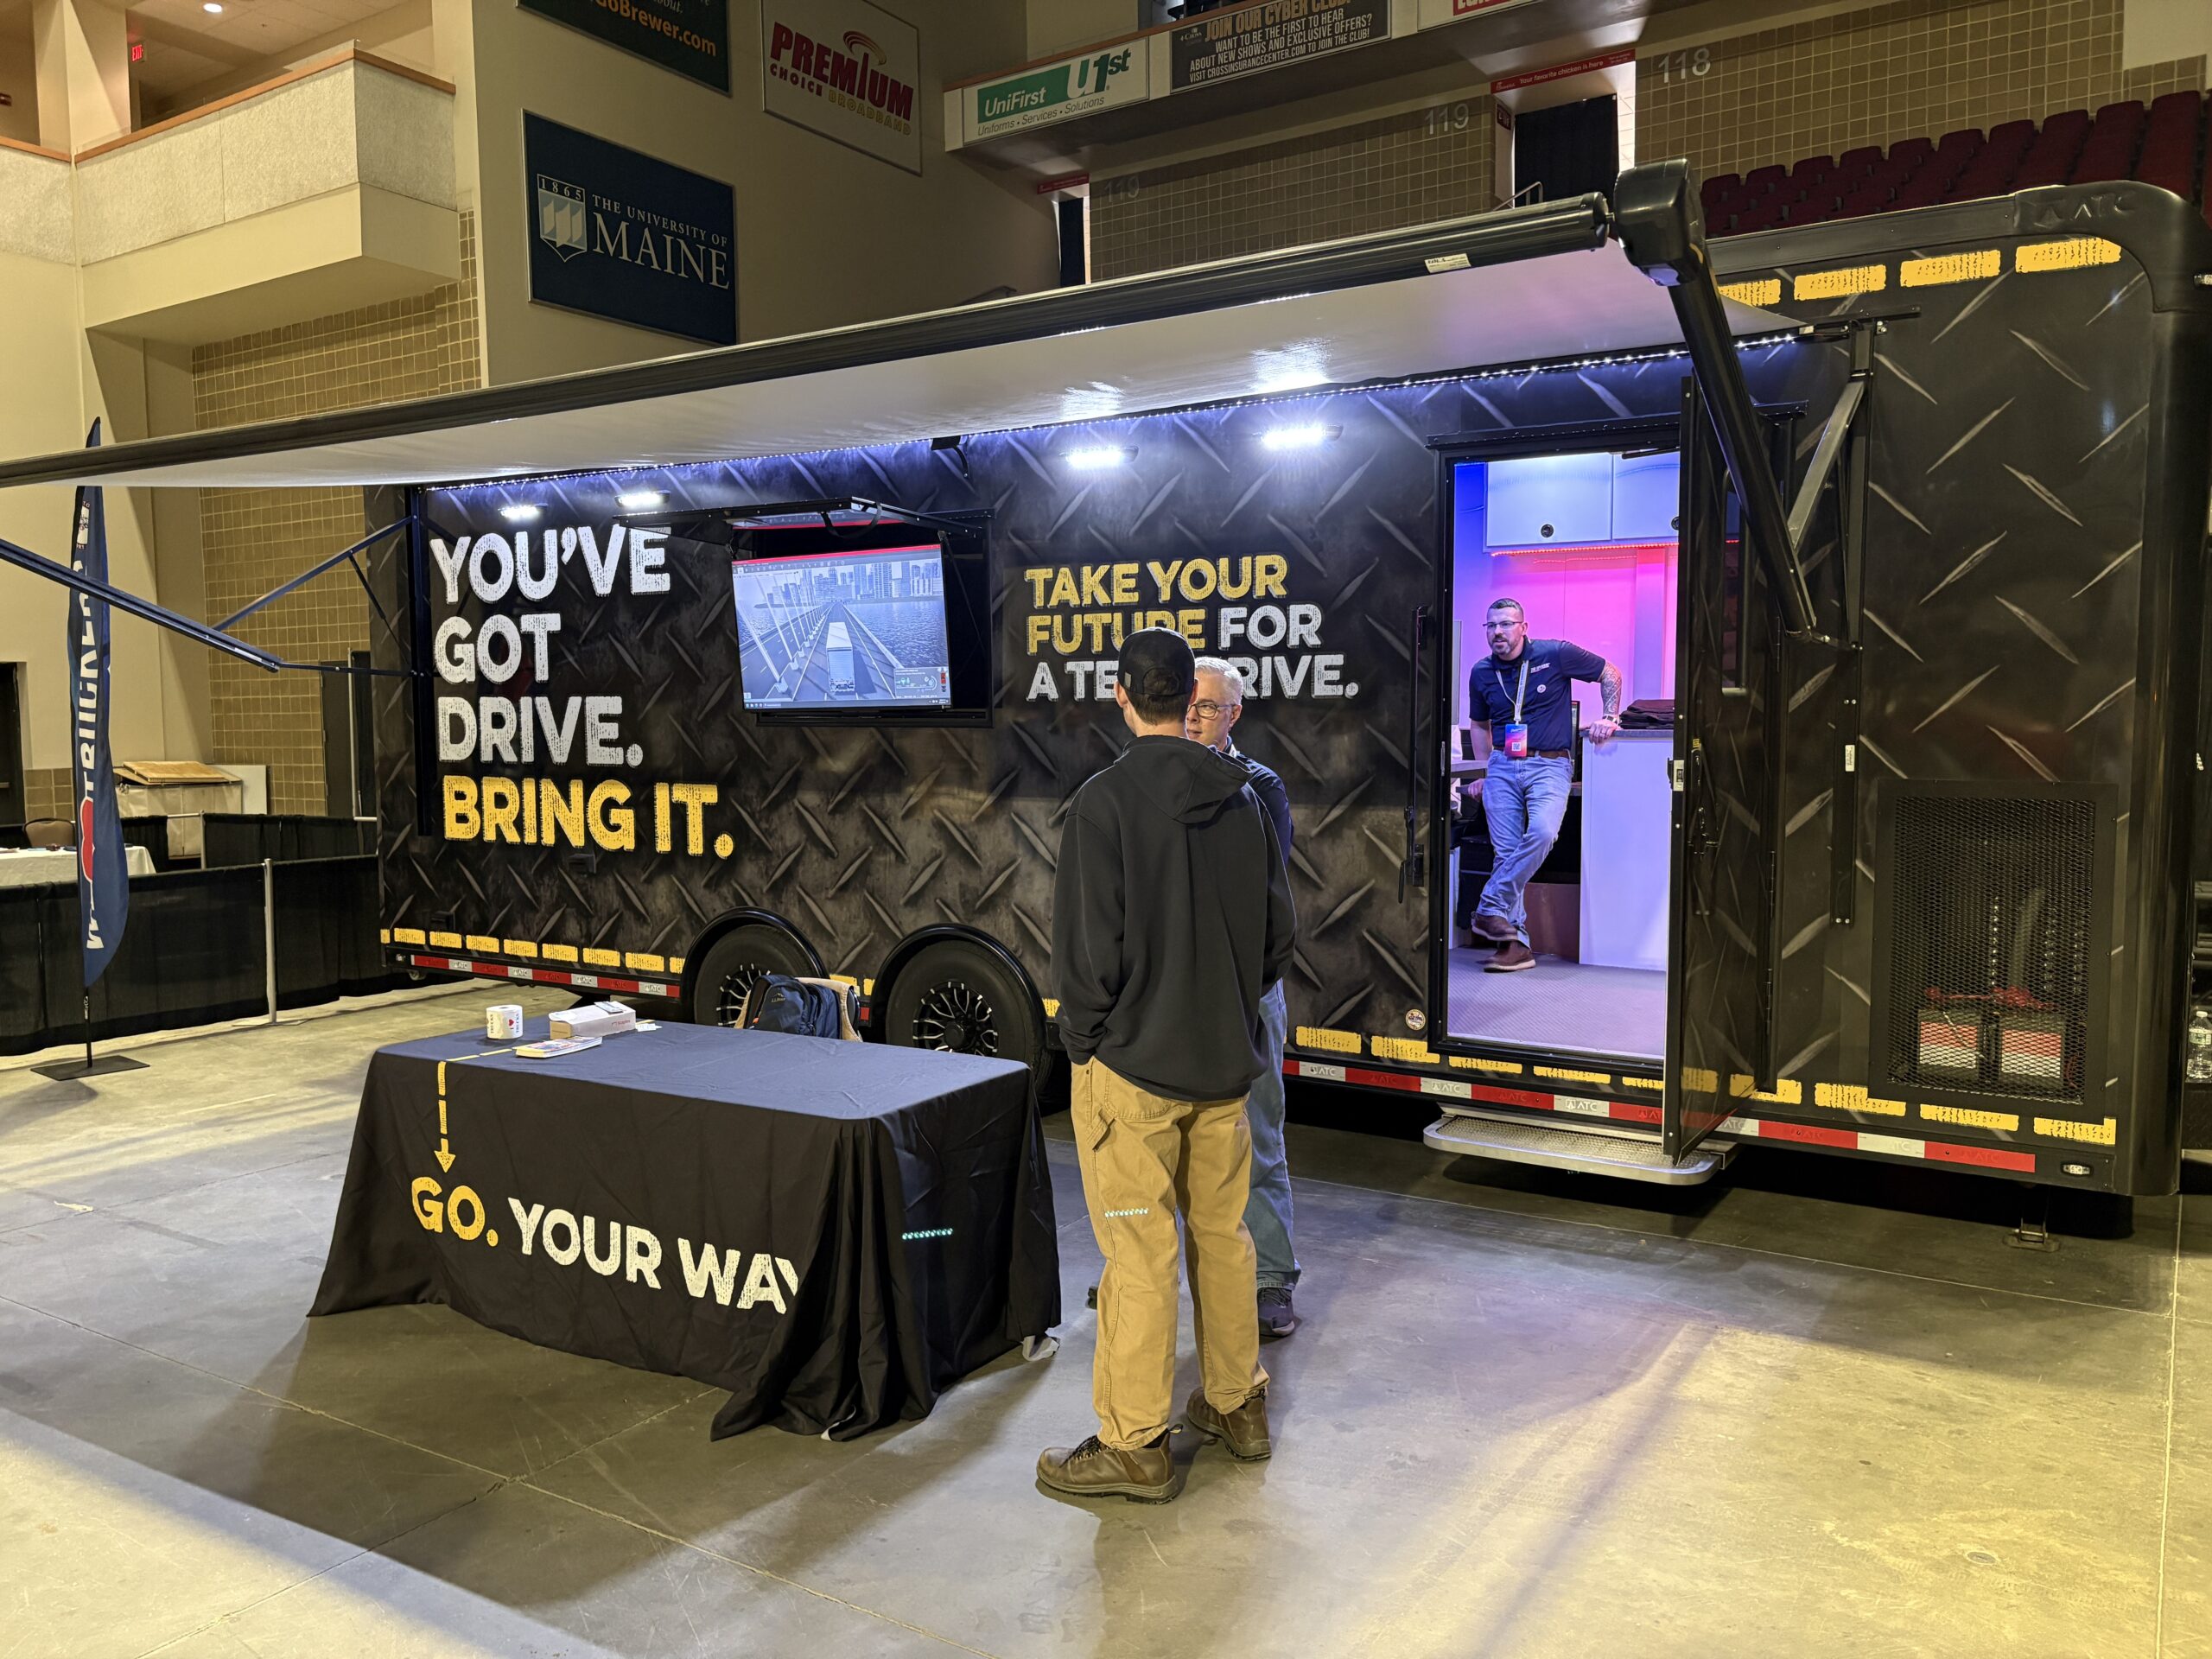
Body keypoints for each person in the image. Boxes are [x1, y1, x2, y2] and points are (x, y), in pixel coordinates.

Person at [1041, 627, 1296, 1503]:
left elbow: (1086, 956)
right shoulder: (1246, 799)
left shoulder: (1102, 804)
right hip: (1224, 1070)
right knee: (1224, 1239)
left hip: (1132, 1074)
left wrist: (1086, 1045)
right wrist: (1224, 1012)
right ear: (1189, 698)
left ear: (1121, 695)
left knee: (1139, 1254)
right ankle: (1237, 1406)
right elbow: (1277, 938)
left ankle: (1135, 1445)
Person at [1186, 657, 1301, 1341]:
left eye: (1209, 706)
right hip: (1179, 989)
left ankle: (1271, 1279)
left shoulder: (1260, 788)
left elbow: (1263, 894)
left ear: (1234, 714)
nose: (1194, 716)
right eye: (1188, 703)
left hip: (1244, 988)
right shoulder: (1151, 782)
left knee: (1257, 1134)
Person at [1466, 598, 1621, 973]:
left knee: (1543, 832)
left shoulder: (1555, 654)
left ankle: (1489, 905)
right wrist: (1483, 773)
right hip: (1502, 764)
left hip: (1549, 763)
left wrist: (1609, 716)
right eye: (1491, 626)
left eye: (1506, 624)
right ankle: (1516, 945)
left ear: (1523, 627)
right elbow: (1479, 725)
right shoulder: (1482, 672)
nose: (1498, 632)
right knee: (1505, 853)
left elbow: (1610, 673)